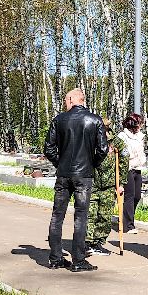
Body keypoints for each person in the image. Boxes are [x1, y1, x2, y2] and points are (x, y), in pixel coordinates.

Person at [42, 88, 108, 272]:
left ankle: (55, 258)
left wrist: (60, 163)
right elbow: (103, 150)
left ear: (72, 99)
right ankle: (78, 260)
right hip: (83, 175)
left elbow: (49, 148)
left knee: (57, 215)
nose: (65, 103)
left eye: (66, 100)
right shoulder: (95, 120)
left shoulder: (59, 120)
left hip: (63, 174)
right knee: (81, 216)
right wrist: (91, 164)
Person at [89, 110, 119, 256]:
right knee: (89, 214)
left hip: (109, 184)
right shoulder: (89, 139)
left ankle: (98, 242)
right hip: (92, 182)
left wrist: (121, 184)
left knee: (104, 216)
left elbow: (123, 162)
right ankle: (87, 242)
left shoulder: (116, 142)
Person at [117, 113, 147, 234]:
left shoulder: (140, 136)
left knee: (137, 196)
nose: (141, 126)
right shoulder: (123, 136)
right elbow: (123, 153)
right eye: (139, 123)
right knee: (129, 196)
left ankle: (129, 220)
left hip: (137, 168)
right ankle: (128, 225)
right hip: (127, 168)